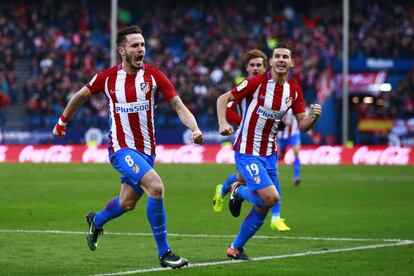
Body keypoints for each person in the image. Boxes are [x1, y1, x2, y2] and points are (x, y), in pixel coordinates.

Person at [52, 25, 203, 269]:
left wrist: (194, 128)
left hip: (146, 151)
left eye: (143, 45)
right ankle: (164, 253)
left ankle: (97, 220)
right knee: (156, 187)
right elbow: (80, 95)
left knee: (127, 203)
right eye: (135, 45)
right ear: (122, 50)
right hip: (121, 149)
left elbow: (177, 105)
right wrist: (62, 121)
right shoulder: (107, 78)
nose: (141, 49)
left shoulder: (154, 76)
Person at [216, 43, 322, 260]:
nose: (281, 60)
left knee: (266, 204)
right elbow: (222, 98)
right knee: (271, 196)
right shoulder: (257, 82)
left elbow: (303, 125)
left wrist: (314, 117)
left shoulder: (294, 90)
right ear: (271, 62)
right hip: (247, 150)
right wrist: (222, 123)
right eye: (277, 56)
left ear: (292, 63)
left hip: (270, 153)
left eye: (286, 57)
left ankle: (235, 248)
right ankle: (238, 191)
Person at [212, 49, 291, 232]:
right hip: (246, 138)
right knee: (245, 178)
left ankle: (224, 190)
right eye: (252, 65)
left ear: (266, 67)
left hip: (267, 140)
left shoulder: (273, 87)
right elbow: (228, 107)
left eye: (259, 65)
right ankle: (274, 215)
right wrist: (242, 122)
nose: (255, 68)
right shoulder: (246, 85)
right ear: (247, 68)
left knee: (247, 178)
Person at [278, 108, 302, 186]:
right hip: (282, 135)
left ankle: (296, 177)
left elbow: (302, 117)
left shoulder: (296, 106)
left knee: (296, 153)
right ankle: (273, 170)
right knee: (280, 156)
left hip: (294, 134)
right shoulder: (282, 107)